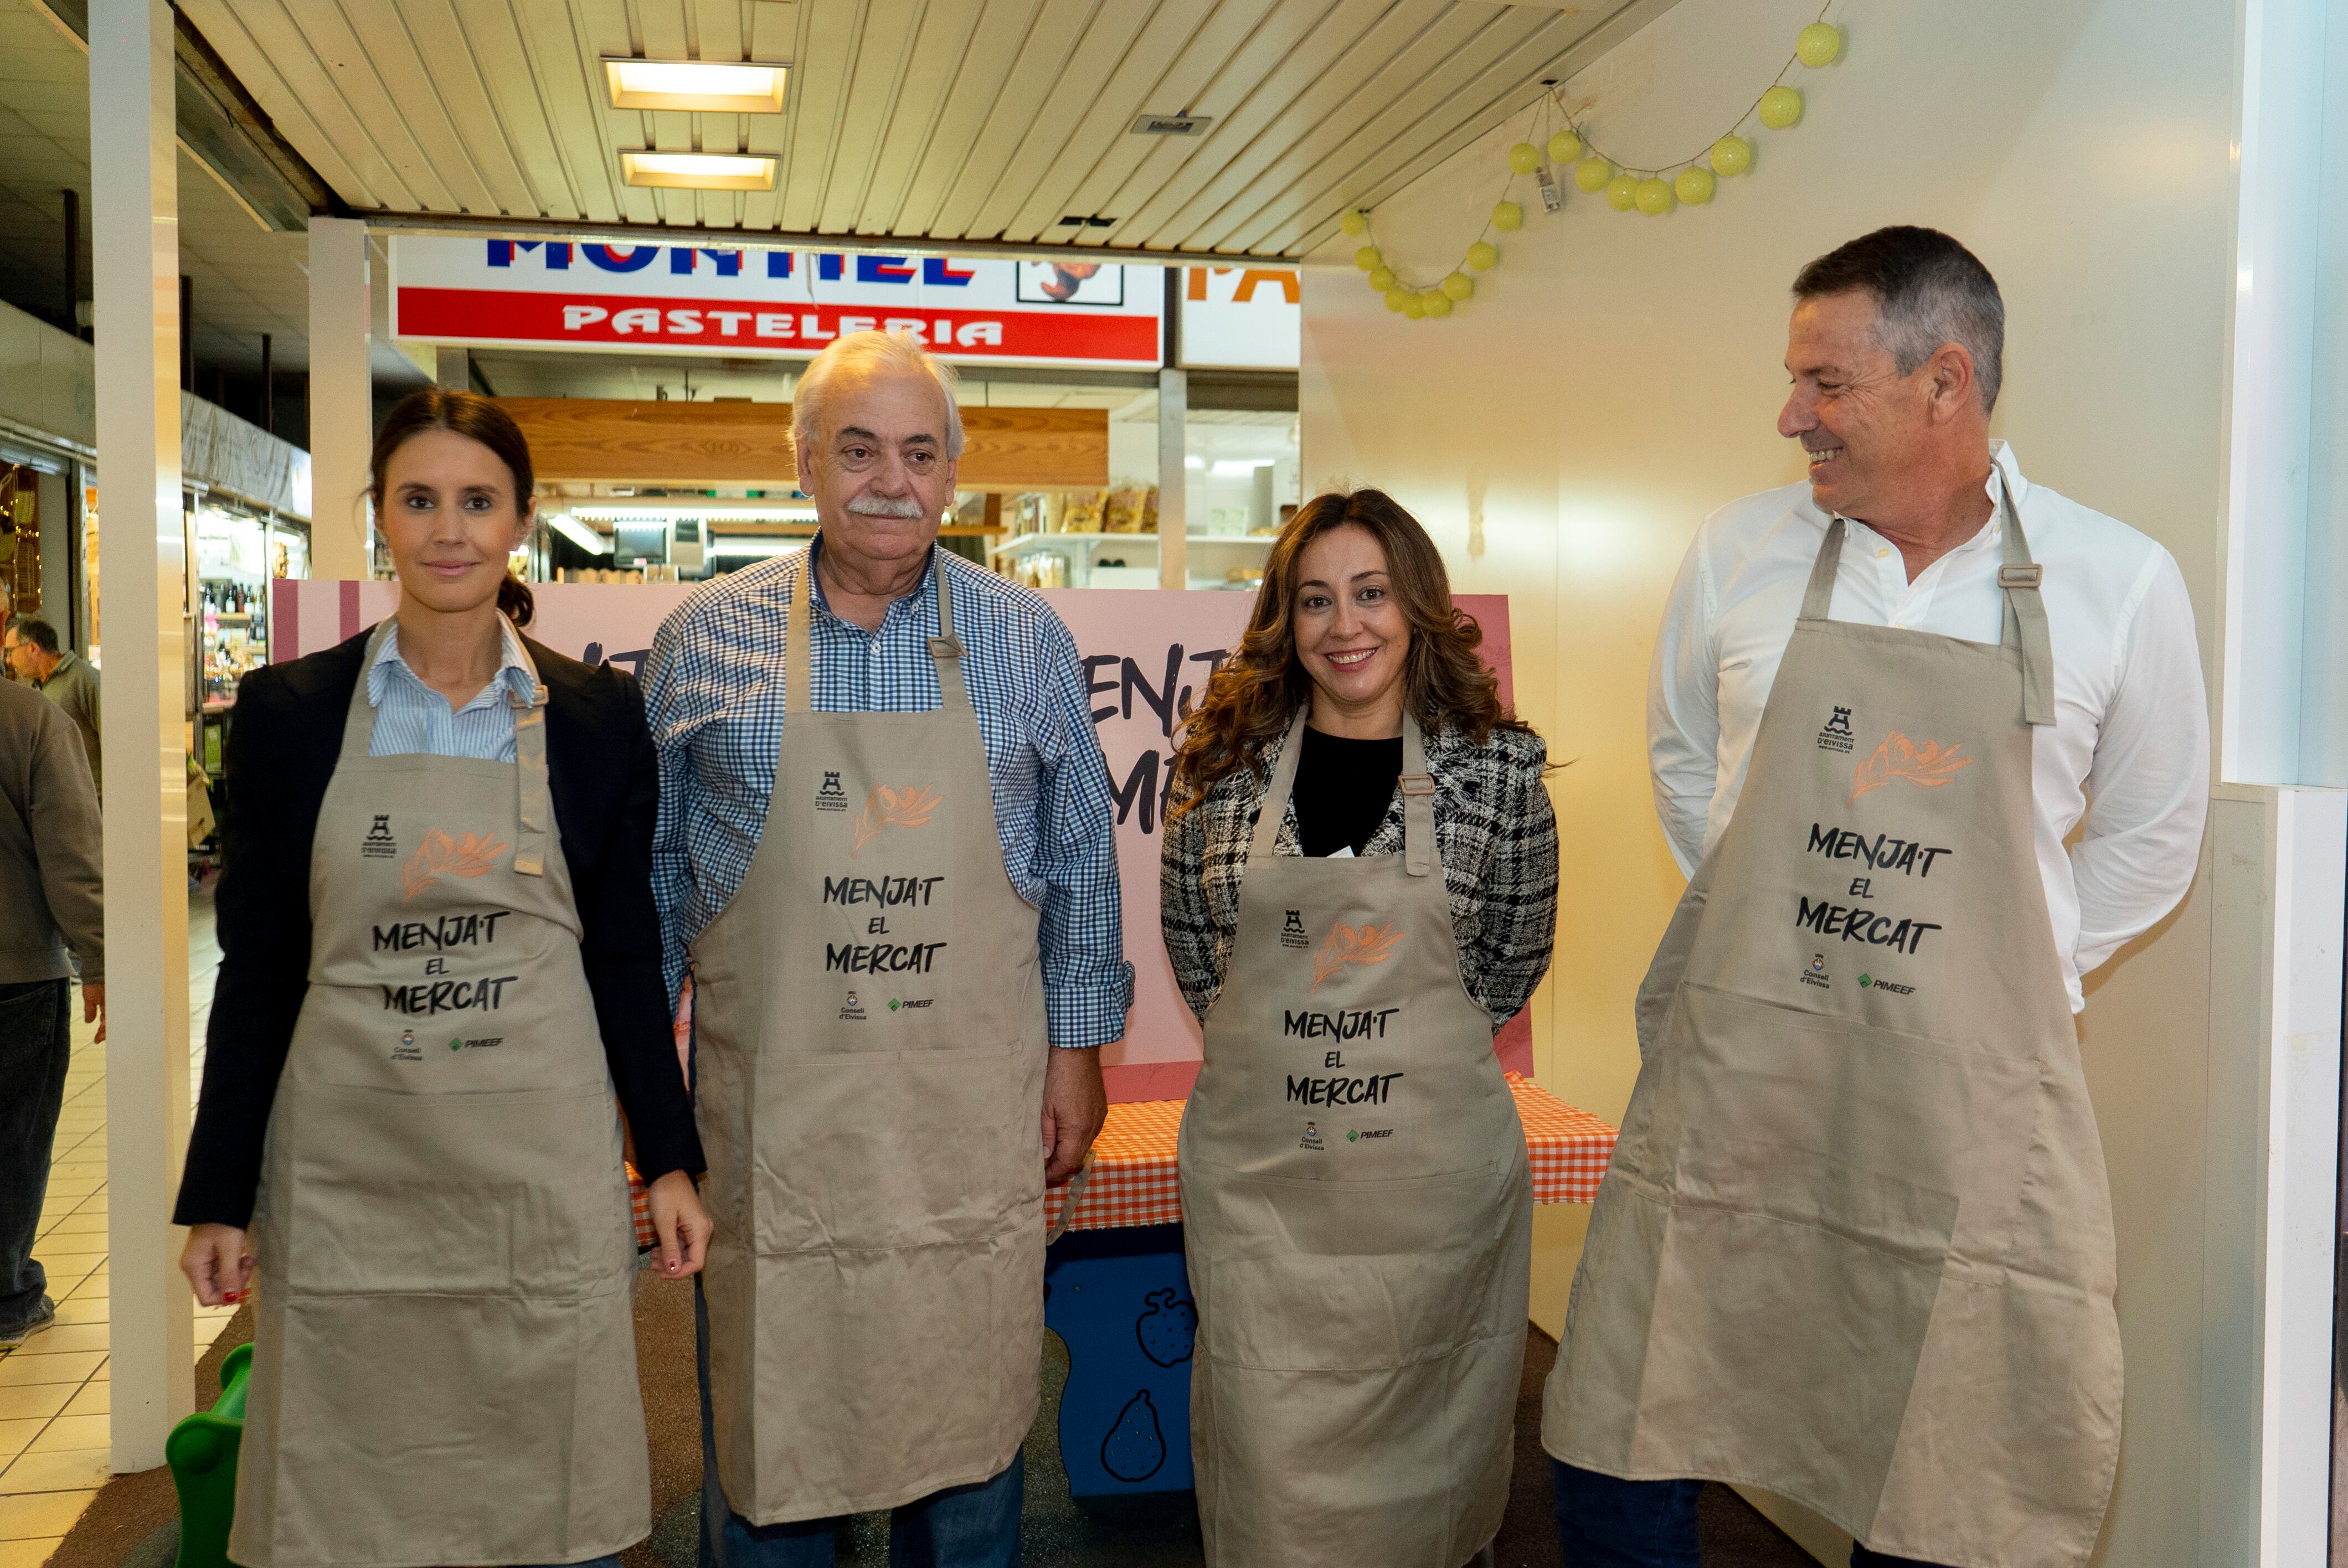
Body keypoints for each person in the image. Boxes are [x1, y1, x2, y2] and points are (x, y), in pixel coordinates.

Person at [1543, 227, 2210, 1568]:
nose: (1789, 414)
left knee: (1954, 1452)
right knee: (1621, 1420)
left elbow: (2153, 827)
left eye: (1822, 382)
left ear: (1943, 382)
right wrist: (1764, 921)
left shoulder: (2112, 579)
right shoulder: (1740, 551)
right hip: (1747, 1068)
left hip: (1961, 1102)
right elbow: (1683, 753)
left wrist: (2014, 973)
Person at [174, 389, 712, 1568]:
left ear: (520, 520)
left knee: (541, 1485)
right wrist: (218, 1189)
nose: (450, 529)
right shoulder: (289, 714)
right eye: (419, 500)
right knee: (349, 1487)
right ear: (381, 519)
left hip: (536, 1170)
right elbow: (261, 967)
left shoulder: (592, 715)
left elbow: (623, 952)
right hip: (349, 1166)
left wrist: (667, 1158)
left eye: (478, 501)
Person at [644, 329, 1128, 1568]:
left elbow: (1081, 859)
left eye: (918, 453)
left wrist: (1078, 1052)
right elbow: (650, 886)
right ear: (802, 459)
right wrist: (640, 1108)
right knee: (771, 1459)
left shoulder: (1024, 640)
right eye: (856, 449)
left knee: (964, 1458)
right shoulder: (705, 639)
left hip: (966, 1121)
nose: (887, 481)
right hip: (777, 1129)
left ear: (953, 473)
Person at [1161, 488, 1558, 1566]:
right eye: (1315, 600)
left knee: (1428, 1483)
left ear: (1414, 607)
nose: (1346, 626)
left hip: (1429, 1215)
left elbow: (1506, 966)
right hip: (1264, 1214)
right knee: (1271, 1472)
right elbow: (1203, 963)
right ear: (1283, 625)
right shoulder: (1222, 775)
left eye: (1371, 594)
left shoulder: (1498, 772)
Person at [0, 674, 103, 1349]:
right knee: (14, 1137)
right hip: (17, 973)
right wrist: (100, 956)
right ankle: (9, 1296)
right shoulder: (31, 721)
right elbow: (71, 855)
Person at [7, 618, 99, 792]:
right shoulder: (30, 687)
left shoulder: (84, 679)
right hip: (56, 798)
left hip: (91, 799)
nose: (9, 661)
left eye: (10, 651)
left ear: (33, 648)